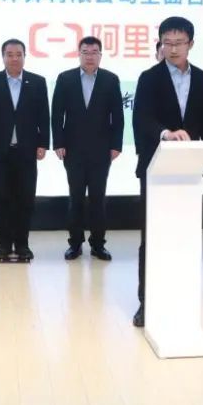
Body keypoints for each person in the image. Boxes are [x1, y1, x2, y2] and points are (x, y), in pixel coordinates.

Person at [131, 16, 203, 327]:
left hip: (188, 170)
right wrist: (165, 133)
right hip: (155, 168)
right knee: (152, 237)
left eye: (179, 43)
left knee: (182, 237)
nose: (172, 49)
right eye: (167, 43)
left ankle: (178, 301)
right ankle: (146, 303)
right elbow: (141, 119)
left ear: (190, 44)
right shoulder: (149, 77)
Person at [51, 36, 123, 261]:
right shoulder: (65, 78)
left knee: (98, 198)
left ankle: (98, 244)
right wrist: (59, 143)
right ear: (78, 54)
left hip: (102, 150)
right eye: (85, 52)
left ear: (100, 55)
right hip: (72, 149)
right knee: (76, 198)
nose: (90, 56)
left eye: (94, 52)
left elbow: (118, 116)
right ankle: (75, 243)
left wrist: (116, 145)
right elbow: (57, 114)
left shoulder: (110, 80)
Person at [0, 39, 49, 262]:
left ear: (25, 56)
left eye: (19, 54)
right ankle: (3, 245)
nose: (14, 58)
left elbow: (43, 115)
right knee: (1, 200)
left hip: (27, 151)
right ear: (3, 57)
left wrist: (43, 143)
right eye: (9, 54)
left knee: (25, 200)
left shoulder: (37, 82)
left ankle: (22, 245)